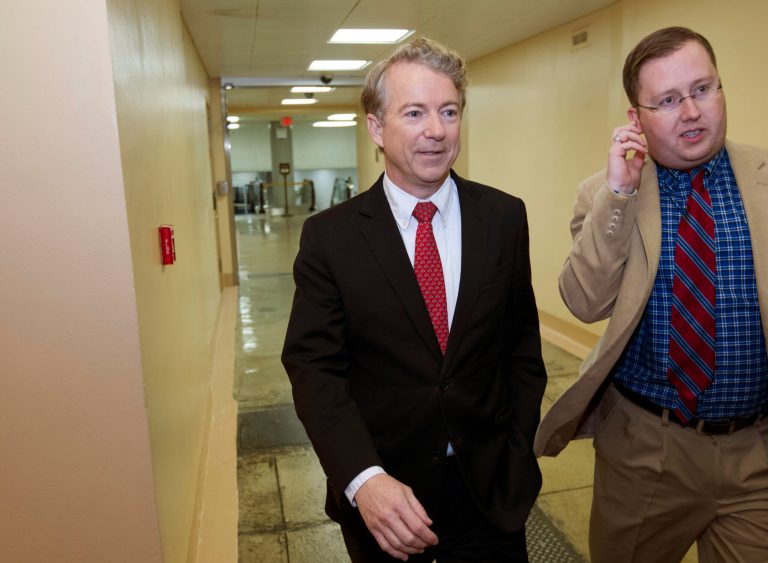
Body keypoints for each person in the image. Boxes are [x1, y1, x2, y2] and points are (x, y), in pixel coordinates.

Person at [282, 37, 546, 562]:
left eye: (449, 111)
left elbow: (521, 351)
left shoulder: (503, 218)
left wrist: (516, 453)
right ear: (376, 128)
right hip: (386, 501)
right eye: (415, 112)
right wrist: (364, 480)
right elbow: (315, 370)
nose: (436, 130)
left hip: (490, 495)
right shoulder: (330, 238)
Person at [535, 26, 768, 563]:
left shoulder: (761, 178)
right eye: (667, 101)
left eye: (702, 89)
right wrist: (619, 192)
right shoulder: (605, 193)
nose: (690, 111)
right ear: (635, 119)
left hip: (754, 449)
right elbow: (583, 301)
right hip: (647, 450)